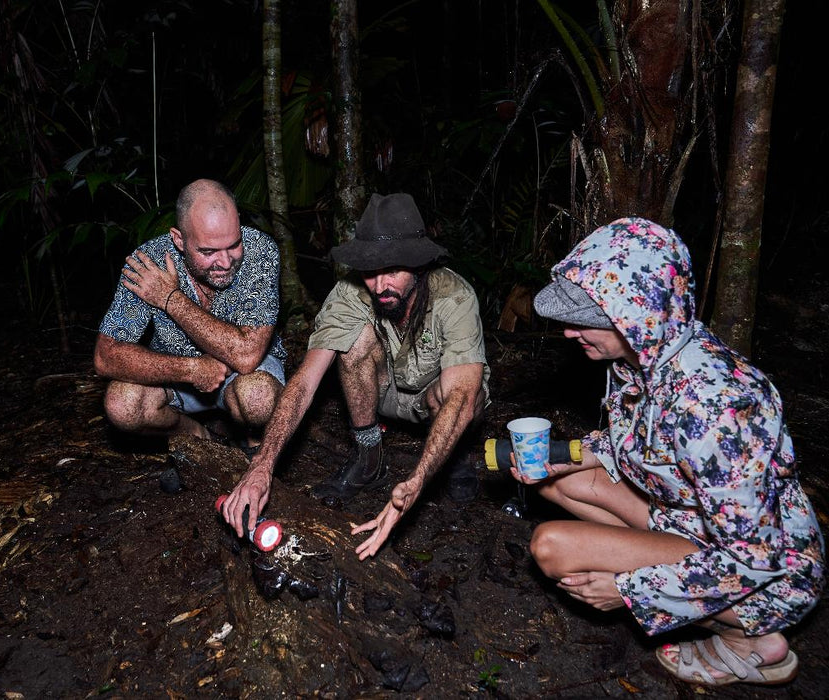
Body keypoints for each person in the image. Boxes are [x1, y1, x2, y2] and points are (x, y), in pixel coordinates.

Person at [518, 217, 824, 686]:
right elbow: (638, 444)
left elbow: (754, 555)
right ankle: (668, 570)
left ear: (639, 315)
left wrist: (633, 591)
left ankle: (750, 640)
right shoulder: (650, 360)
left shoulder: (716, 407)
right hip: (693, 520)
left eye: (588, 320)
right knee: (561, 479)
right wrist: (567, 453)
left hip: (770, 572)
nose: (568, 332)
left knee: (551, 546)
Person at [221, 193, 490, 560]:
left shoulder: (454, 297)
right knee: (353, 341)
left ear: (419, 264)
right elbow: (304, 383)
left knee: (461, 394)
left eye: (392, 270)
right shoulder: (351, 295)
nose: (380, 286)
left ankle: (452, 457)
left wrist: (415, 483)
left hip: (439, 397)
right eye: (370, 272)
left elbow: (461, 396)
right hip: (386, 391)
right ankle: (369, 458)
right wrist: (261, 466)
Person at [94, 179, 285, 450]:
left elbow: (246, 356)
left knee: (257, 397)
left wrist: (170, 299)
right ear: (179, 240)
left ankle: (256, 448)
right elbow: (105, 356)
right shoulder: (149, 263)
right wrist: (191, 370)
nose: (226, 262)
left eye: (233, 244)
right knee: (122, 404)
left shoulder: (260, 251)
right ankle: (197, 439)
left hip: (248, 374)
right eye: (208, 251)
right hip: (179, 377)